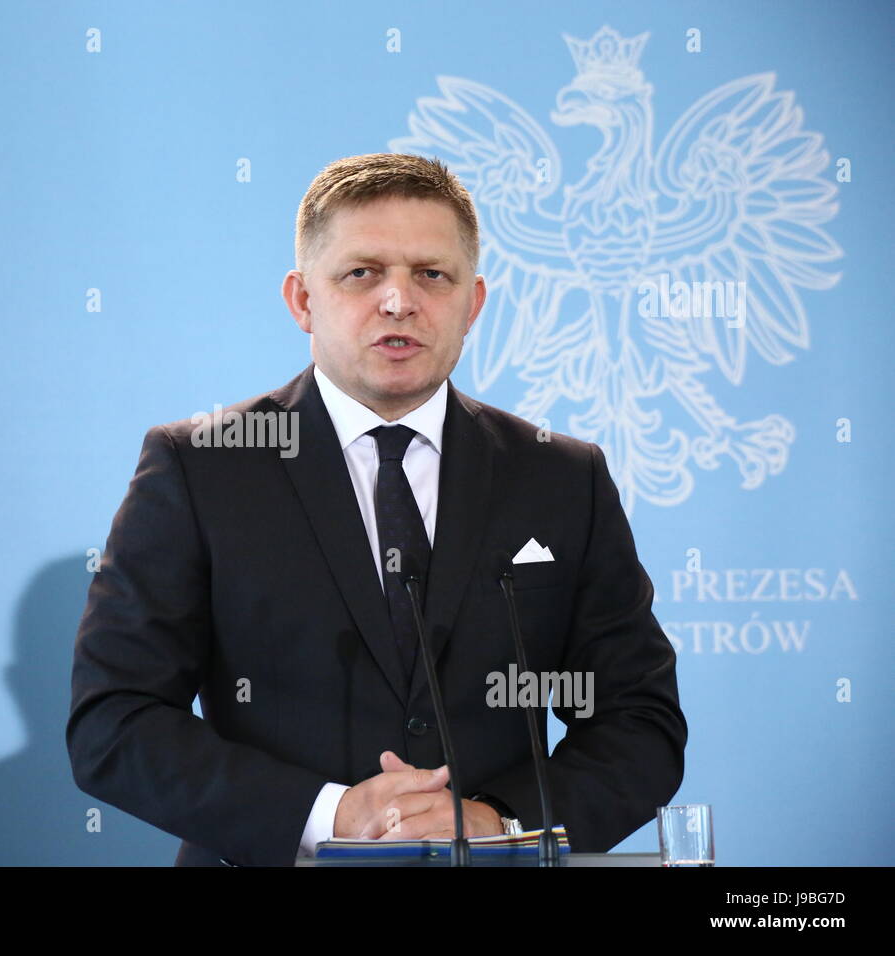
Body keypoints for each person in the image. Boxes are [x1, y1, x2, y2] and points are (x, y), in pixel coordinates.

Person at [67, 153, 686, 866]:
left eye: (431, 274)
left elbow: (640, 721)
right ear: (302, 299)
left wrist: (499, 822)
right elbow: (113, 723)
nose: (399, 302)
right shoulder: (203, 467)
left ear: (473, 303)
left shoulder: (561, 477)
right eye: (362, 273)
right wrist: (330, 813)